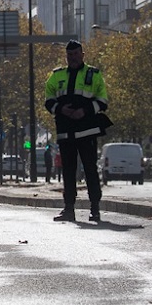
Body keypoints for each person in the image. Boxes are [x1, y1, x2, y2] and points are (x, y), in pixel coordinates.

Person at [44, 39, 109, 223]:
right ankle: (69, 209)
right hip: (66, 132)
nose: (72, 58)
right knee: (68, 172)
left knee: (90, 170)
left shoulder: (93, 74)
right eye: (69, 55)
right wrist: (62, 109)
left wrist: (85, 111)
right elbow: (48, 99)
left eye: (75, 54)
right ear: (66, 56)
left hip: (87, 130)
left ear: (82, 54)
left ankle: (95, 209)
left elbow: (103, 101)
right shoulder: (56, 76)